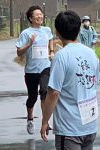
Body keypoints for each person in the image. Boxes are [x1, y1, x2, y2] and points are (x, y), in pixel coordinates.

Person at [40, 10, 99, 150]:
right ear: (79, 29)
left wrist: (44, 121)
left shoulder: (61, 57)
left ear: (57, 32)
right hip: (90, 125)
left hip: (69, 128)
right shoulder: (91, 53)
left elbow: (53, 93)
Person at [16, 5, 54, 134]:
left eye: (41, 14)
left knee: (44, 92)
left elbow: (51, 40)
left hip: (45, 67)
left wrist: (52, 50)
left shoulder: (47, 30)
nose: (40, 16)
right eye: (37, 15)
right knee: (32, 97)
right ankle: (30, 117)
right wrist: (29, 44)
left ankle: (45, 122)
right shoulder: (26, 33)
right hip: (31, 71)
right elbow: (19, 53)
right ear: (30, 18)